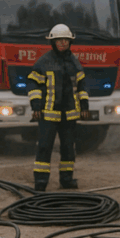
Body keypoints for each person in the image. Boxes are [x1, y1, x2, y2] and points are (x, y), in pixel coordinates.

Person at [26, 24, 90, 191]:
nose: (62, 43)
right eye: (59, 40)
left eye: (66, 40)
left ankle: (67, 180)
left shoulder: (74, 63)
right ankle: (40, 183)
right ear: (52, 42)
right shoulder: (44, 62)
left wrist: (84, 106)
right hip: (48, 114)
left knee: (68, 148)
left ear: (70, 41)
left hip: (69, 114)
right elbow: (33, 86)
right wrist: (36, 106)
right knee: (44, 147)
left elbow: (82, 86)